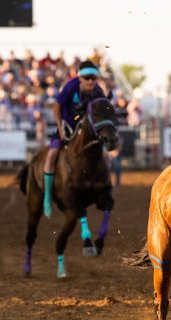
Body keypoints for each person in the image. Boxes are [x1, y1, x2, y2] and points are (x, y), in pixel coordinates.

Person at [42, 60, 106, 217]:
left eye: (93, 78)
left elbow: (103, 111)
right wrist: (59, 128)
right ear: (80, 78)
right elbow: (56, 106)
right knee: (51, 156)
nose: (91, 81)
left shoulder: (98, 92)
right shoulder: (71, 87)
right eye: (87, 77)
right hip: (66, 127)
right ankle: (47, 196)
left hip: (86, 131)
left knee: (101, 156)